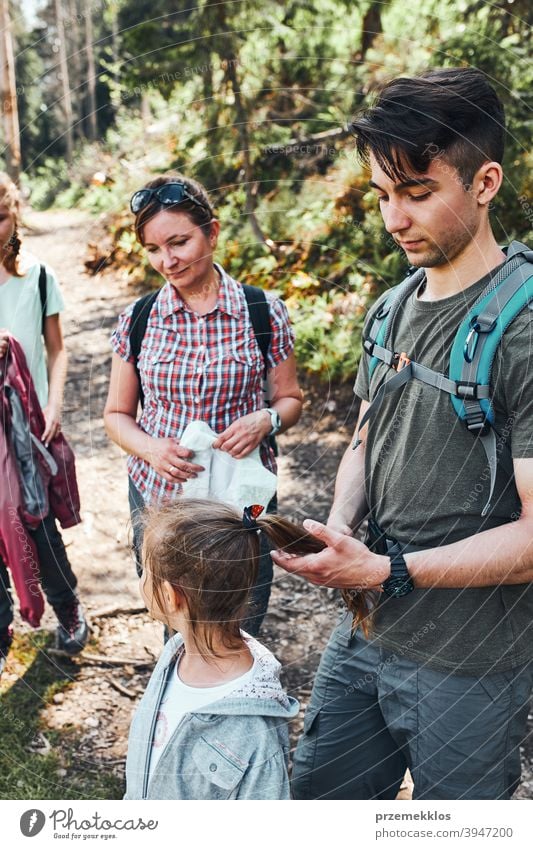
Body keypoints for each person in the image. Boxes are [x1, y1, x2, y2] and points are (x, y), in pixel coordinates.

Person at [272, 68, 533, 800]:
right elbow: (364, 434)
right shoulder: (390, 307)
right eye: (384, 195)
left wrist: (387, 570)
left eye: (418, 194)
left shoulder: (523, 328)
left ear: (484, 183)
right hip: (365, 636)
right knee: (320, 808)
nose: (394, 218)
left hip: (470, 662)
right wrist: (336, 525)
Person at [104, 173, 302, 635]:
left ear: (211, 232)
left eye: (178, 242)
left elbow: (290, 399)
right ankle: (182, 698)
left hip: (243, 497)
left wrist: (266, 419)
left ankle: (238, 698)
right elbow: (116, 416)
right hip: (160, 495)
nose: (167, 261)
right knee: (176, 615)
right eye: (154, 250)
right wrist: (152, 449)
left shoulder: (262, 311)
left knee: (242, 613)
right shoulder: (138, 319)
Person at [124, 498, 323, 800]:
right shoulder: (174, 654)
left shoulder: (256, 732)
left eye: (146, 572)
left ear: (169, 596)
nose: (141, 581)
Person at [0, 172, 87, 675]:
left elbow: (57, 350)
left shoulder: (36, 277)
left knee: (37, 525)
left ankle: (68, 610)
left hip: (29, 426)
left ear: (15, 215)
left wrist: (53, 404)